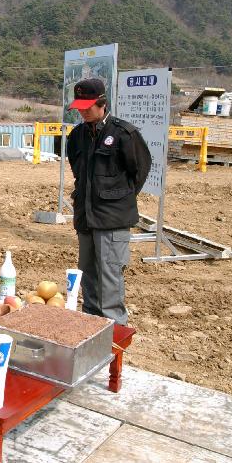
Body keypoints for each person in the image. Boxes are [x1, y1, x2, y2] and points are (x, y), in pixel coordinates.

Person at [66, 78, 152, 326]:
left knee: (110, 278)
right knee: (88, 276)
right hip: (85, 217)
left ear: (102, 103)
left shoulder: (123, 133)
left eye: (87, 106)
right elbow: (78, 171)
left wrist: (117, 200)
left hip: (111, 220)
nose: (82, 111)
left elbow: (140, 171)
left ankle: (114, 333)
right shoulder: (78, 135)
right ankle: (91, 326)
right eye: (79, 106)